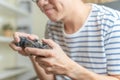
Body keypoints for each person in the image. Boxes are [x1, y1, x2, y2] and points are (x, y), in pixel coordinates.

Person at [9, 0, 120, 80]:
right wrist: (32, 51)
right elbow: (50, 78)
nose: (41, 3)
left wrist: (70, 69)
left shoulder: (112, 22)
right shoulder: (51, 26)